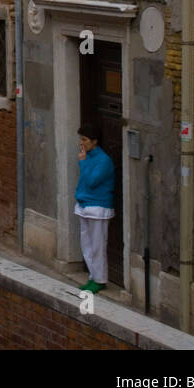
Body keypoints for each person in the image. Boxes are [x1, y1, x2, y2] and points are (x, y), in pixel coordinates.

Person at [75, 124, 115, 294]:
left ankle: (100, 279)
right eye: (81, 139)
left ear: (94, 141)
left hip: (98, 206)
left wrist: (82, 163)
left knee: (98, 245)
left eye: (84, 140)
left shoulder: (103, 160)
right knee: (87, 245)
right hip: (84, 205)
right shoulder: (88, 157)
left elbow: (92, 181)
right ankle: (93, 276)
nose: (81, 143)